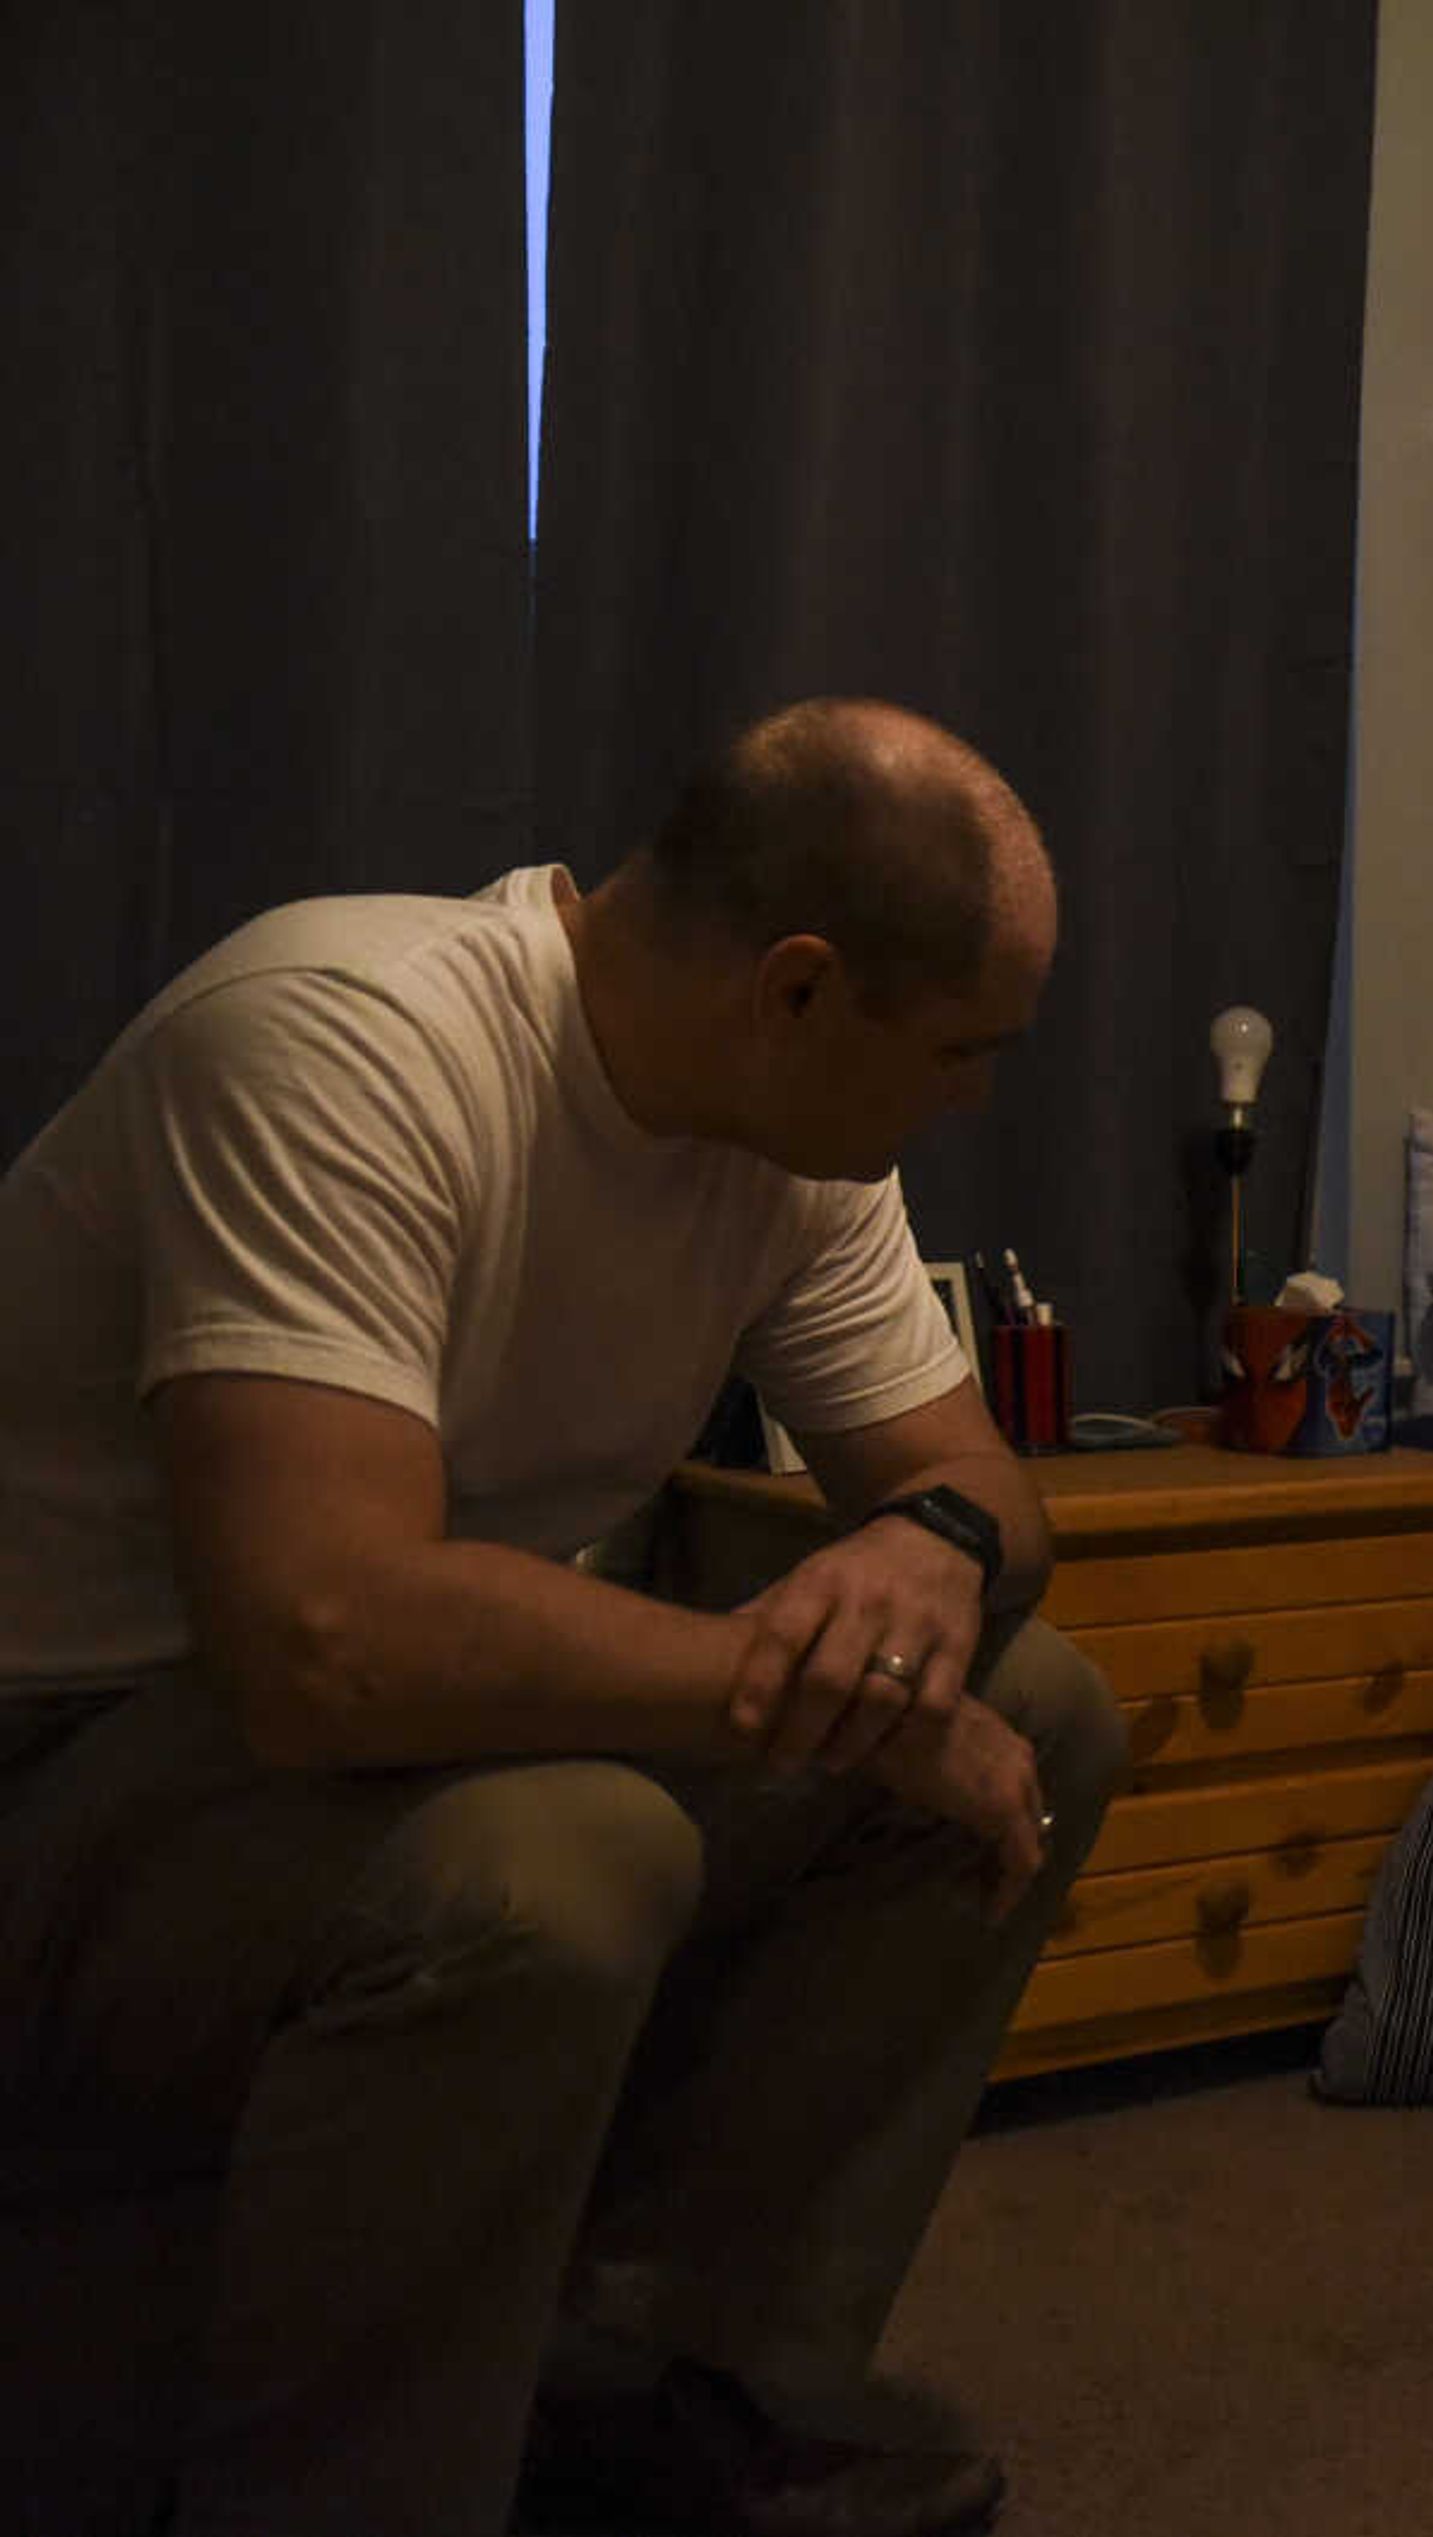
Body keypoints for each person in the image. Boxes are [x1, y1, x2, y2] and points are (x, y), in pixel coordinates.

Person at [0, 699, 1129, 2537]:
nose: (978, 1096)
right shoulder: (346, 1040)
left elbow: (986, 1494)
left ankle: (660, 2389)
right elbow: (325, 1637)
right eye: (959, 1049)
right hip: (71, 1762)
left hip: (342, 1752)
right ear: (798, 989)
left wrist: (928, 1549)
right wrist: (801, 1689)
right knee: (563, 1850)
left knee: (1045, 1697)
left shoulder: (797, 1150)